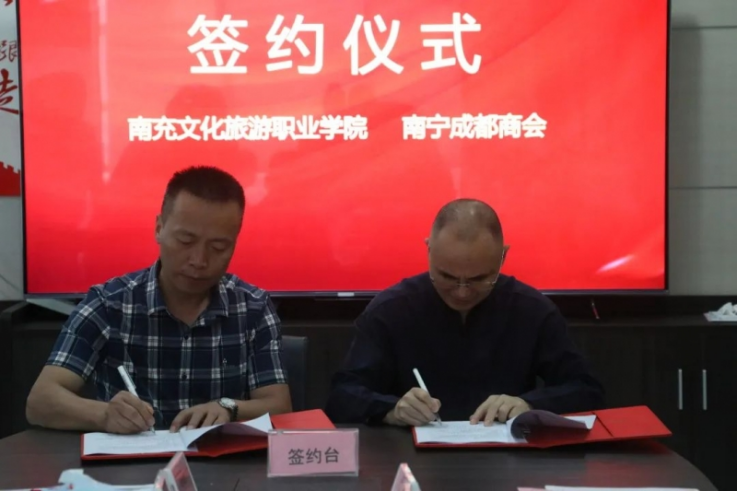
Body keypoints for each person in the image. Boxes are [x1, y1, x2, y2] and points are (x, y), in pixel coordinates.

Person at [26, 166, 292, 434]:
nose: (199, 260)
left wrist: (229, 407)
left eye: (218, 247)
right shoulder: (109, 304)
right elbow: (40, 401)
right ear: (159, 228)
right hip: (132, 459)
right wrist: (104, 415)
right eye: (185, 241)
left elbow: (279, 407)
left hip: (220, 459)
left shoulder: (253, 307)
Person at [325, 198, 604, 426]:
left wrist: (529, 405)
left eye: (479, 279)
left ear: (503, 256)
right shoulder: (391, 310)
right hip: (409, 460)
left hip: (509, 462)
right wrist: (392, 409)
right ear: (429, 250)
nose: (461, 292)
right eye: (446, 277)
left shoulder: (532, 311)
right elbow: (342, 396)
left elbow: (587, 390)